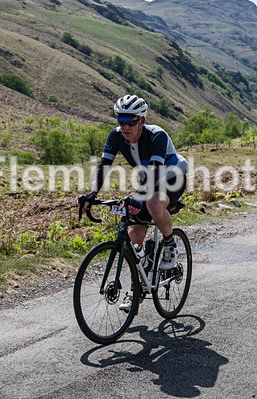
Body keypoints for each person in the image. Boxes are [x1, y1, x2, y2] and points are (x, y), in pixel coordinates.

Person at [81, 94, 189, 286]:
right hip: (149, 181)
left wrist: (137, 197)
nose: (125, 127)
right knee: (134, 232)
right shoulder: (116, 136)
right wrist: (92, 194)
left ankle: (170, 245)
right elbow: (104, 165)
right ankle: (139, 281)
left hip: (172, 178)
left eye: (130, 122)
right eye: (121, 121)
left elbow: (156, 172)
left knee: (153, 203)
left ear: (142, 120)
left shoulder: (157, 135)